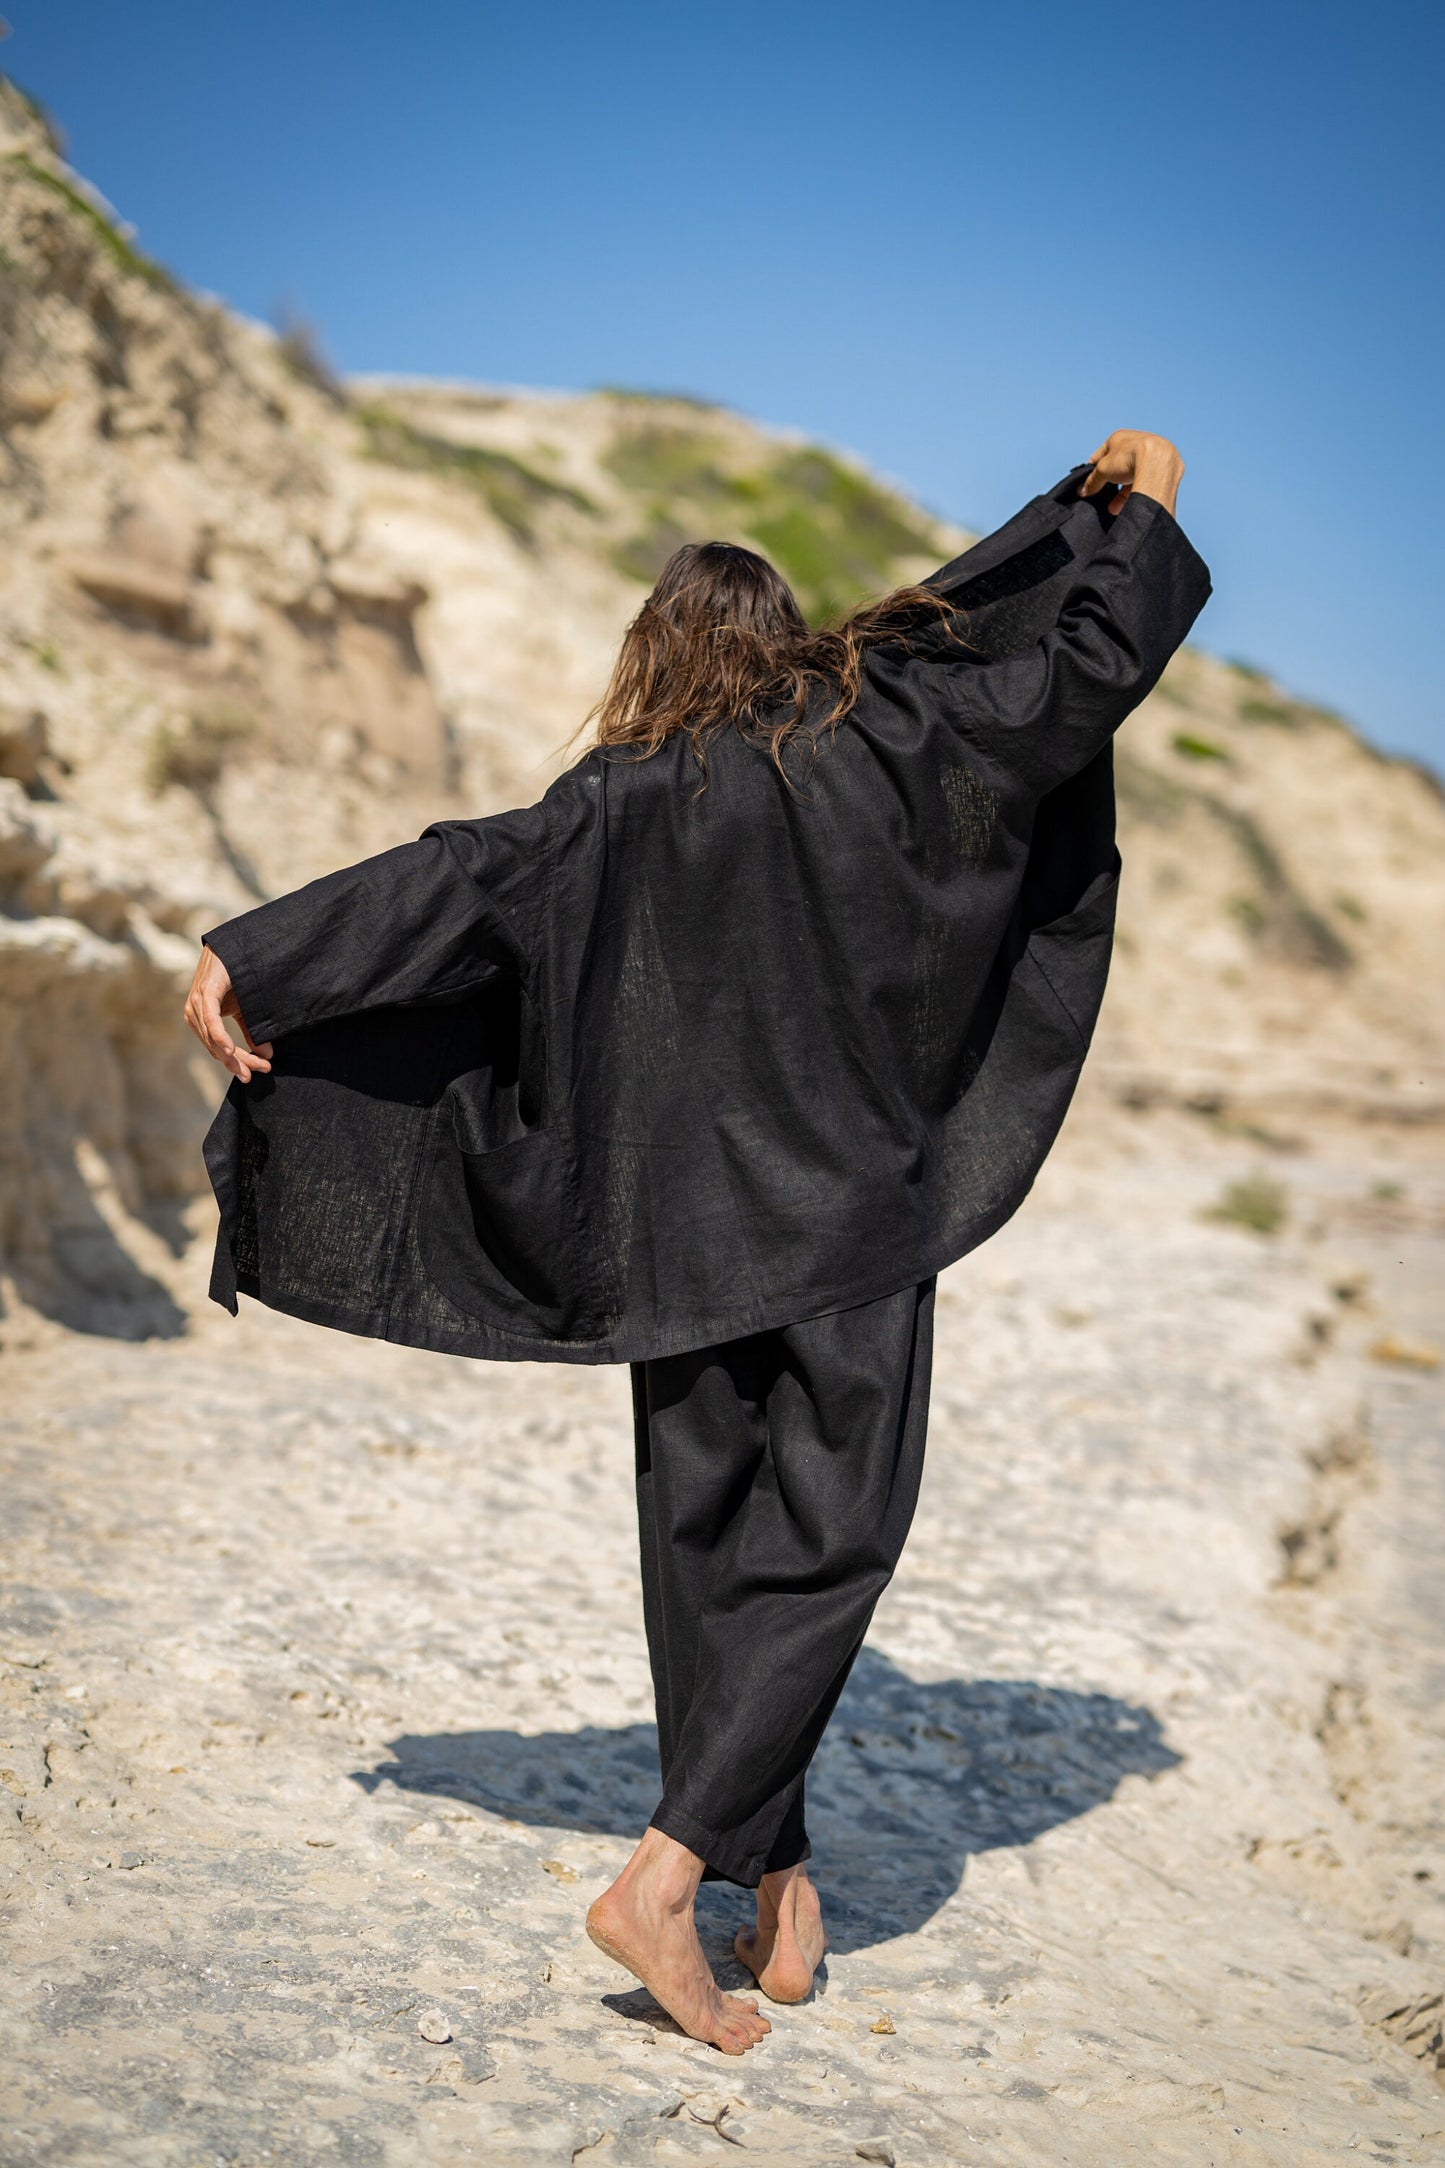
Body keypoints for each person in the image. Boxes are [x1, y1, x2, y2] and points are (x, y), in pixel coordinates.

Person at [185, 430, 1209, 2055]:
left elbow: (457, 875)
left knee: (711, 1551)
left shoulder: (612, 805)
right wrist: (1139, 507)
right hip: (847, 1221)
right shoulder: (889, 736)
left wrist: (257, 956)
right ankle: (663, 1877)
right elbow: (1081, 672)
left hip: (673, 1243)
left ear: (651, 656)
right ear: (788, 640)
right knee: (827, 1545)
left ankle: (776, 1877)